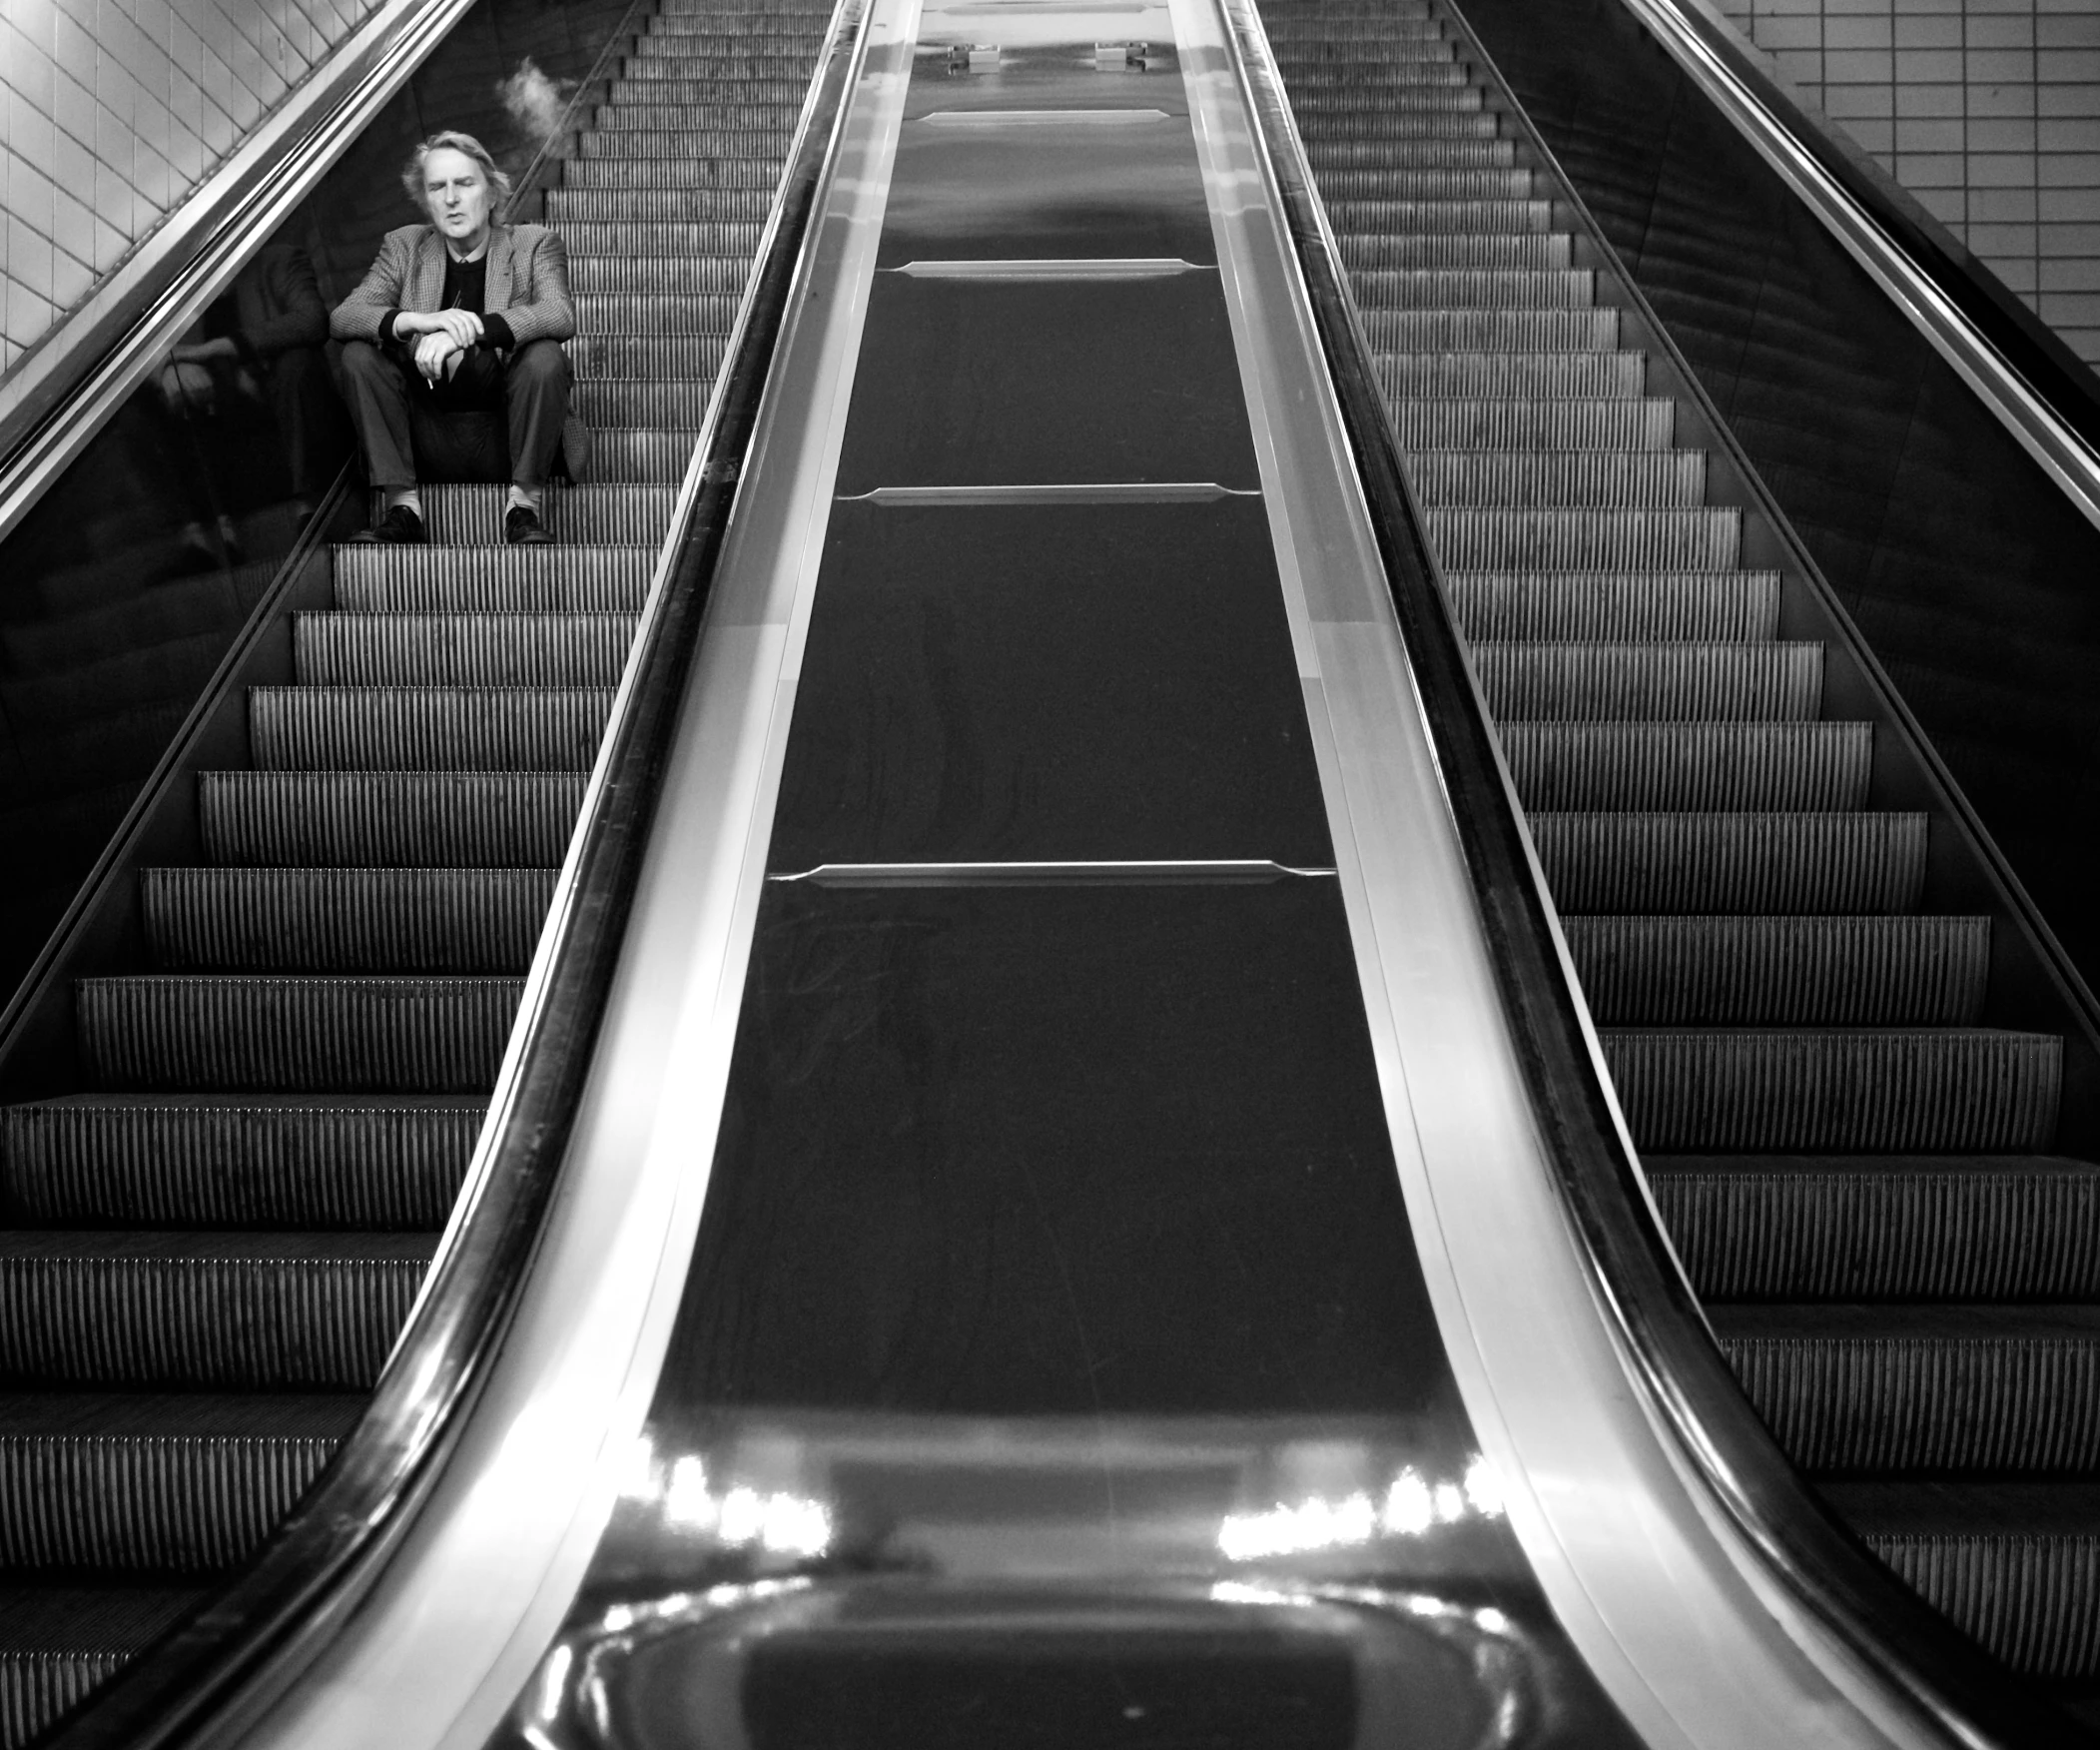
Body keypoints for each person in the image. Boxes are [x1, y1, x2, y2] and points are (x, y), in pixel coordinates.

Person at [330, 130, 587, 545]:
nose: (451, 198)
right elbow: (345, 317)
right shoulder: (404, 247)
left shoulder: (533, 244)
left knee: (545, 355)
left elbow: (559, 314)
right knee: (359, 355)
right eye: (437, 187)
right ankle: (403, 506)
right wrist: (420, 321)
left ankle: (524, 507)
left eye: (464, 184)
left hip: (508, 436)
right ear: (426, 200)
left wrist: (470, 330)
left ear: (491, 193)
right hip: (427, 439)